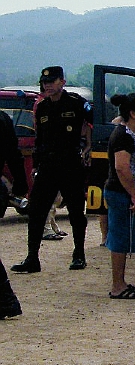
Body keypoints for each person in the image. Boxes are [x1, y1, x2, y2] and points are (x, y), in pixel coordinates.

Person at [14, 66, 91, 274]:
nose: (47, 85)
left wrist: (89, 146)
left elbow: (93, 123)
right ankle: (32, 258)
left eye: (52, 81)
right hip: (48, 166)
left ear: (62, 82)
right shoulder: (43, 107)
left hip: (70, 165)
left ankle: (79, 254)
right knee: (36, 211)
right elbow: (40, 139)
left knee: (76, 212)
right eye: (45, 82)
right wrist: (36, 165)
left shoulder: (76, 103)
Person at [103, 93, 135, 299]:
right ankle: (117, 285)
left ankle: (121, 281)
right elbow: (122, 168)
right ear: (133, 113)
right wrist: (133, 194)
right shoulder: (123, 135)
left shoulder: (129, 133)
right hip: (121, 193)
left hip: (126, 193)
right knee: (120, 238)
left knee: (123, 237)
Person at [0, 108, 30, 318]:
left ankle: (6, 300)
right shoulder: (2, 118)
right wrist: (20, 183)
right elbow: (13, 153)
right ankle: (6, 300)